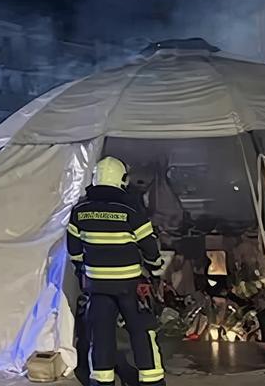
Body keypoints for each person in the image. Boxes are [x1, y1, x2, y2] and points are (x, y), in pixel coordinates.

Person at [67, 156, 167, 386]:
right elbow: (148, 245)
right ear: (121, 180)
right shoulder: (129, 209)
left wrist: (85, 270)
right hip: (129, 286)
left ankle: (102, 381)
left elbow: (74, 250)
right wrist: (155, 268)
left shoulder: (80, 210)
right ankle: (151, 381)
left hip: (97, 286)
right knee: (142, 331)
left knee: (100, 335)